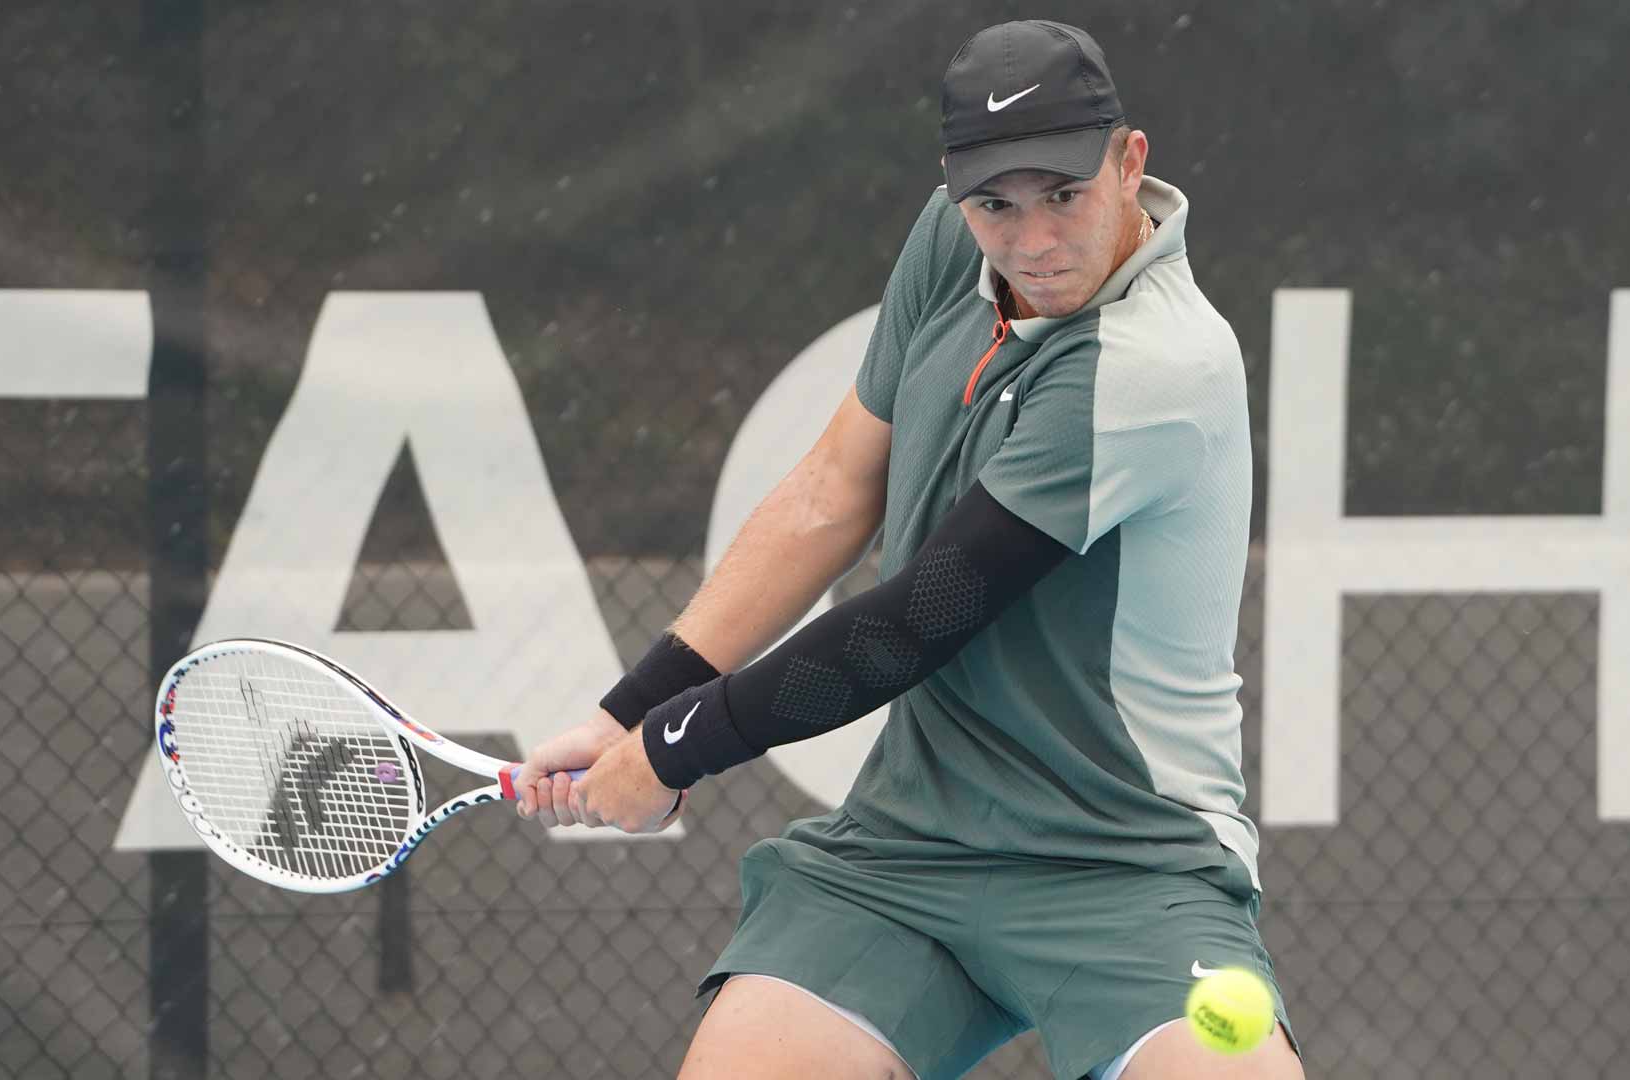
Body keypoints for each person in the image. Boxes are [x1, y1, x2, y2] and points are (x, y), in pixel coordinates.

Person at [515, 19, 1304, 1080]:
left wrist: (668, 751)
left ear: (1129, 163)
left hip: (1125, 858)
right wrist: (628, 710)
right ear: (956, 190)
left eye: (1063, 196)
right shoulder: (949, 240)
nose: (1030, 241)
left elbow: (918, 618)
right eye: (996, 206)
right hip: (906, 850)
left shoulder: (1157, 365)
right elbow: (830, 495)